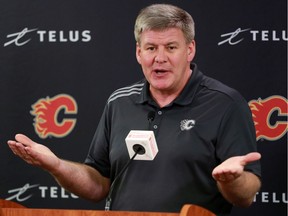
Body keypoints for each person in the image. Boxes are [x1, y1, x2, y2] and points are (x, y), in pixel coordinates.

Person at [7, 3, 261, 216]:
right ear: (139, 53)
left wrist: (233, 180)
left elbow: (246, 196)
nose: (159, 58)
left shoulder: (225, 103)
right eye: (151, 48)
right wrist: (56, 165)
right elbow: (98, 185)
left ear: (190, 50)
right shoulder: (120, 102)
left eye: (171, 47)